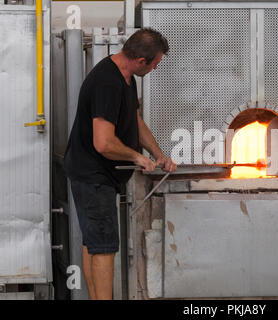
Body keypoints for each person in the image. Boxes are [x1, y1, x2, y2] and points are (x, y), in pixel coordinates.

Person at [64, 28, 177, 300]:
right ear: (141, 60)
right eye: (155, 64)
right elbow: (103, 143)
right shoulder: (108, 81)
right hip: (93, 174)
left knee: (94, 242)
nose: (155, 69)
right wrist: (138, 158)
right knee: (103, 247)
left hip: (91, 172)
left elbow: (133, 121)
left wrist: (158, 153)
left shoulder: (126, 78)